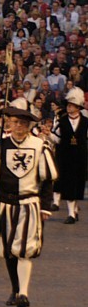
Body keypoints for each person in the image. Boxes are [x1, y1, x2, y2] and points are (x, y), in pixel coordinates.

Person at [0, 105, 58, 307]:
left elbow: (47, 179)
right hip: (4, 204)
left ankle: (23, 293)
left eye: (23, 123)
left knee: (24, 249)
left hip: (29, 203)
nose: (19, 127)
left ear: (29, 125)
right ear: (9, 124)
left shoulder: (40, 146)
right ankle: (15, 288)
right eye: (15, 122)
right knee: (8, 250)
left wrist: (45, 207)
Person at [51, 87, 87, 224]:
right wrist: (48, 135)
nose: (68, 108)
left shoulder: (85, 122)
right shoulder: (62, 121)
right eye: (68, 105)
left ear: (78, 107)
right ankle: (71, 214)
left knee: (78, 185)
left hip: (81, 157)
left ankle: (75, 209)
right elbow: (57, 138)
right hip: (66, 157)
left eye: (71, 105)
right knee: (68, 184)